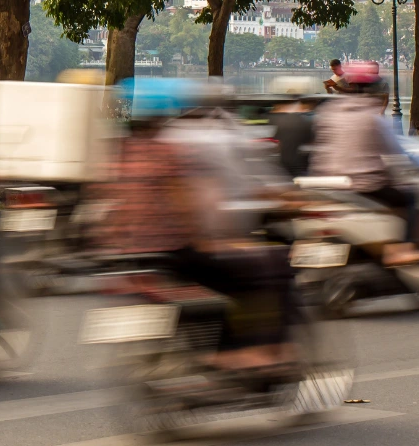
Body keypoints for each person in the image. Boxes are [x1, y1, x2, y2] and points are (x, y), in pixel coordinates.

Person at [94, 79, 298, 371]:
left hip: (128, 256)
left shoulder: (116, 154)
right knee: (266, 268)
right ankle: (245, 351)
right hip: (176, 253)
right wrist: (213, 239)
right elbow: (190, 204)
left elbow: (104, 206)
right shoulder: (173, 152)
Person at [308, 76, 419, 265]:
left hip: (326, 183)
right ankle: (403, 249)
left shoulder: (328, 111)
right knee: (412, 198)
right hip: (364, 185)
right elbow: (398, 153)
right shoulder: (373, 117)